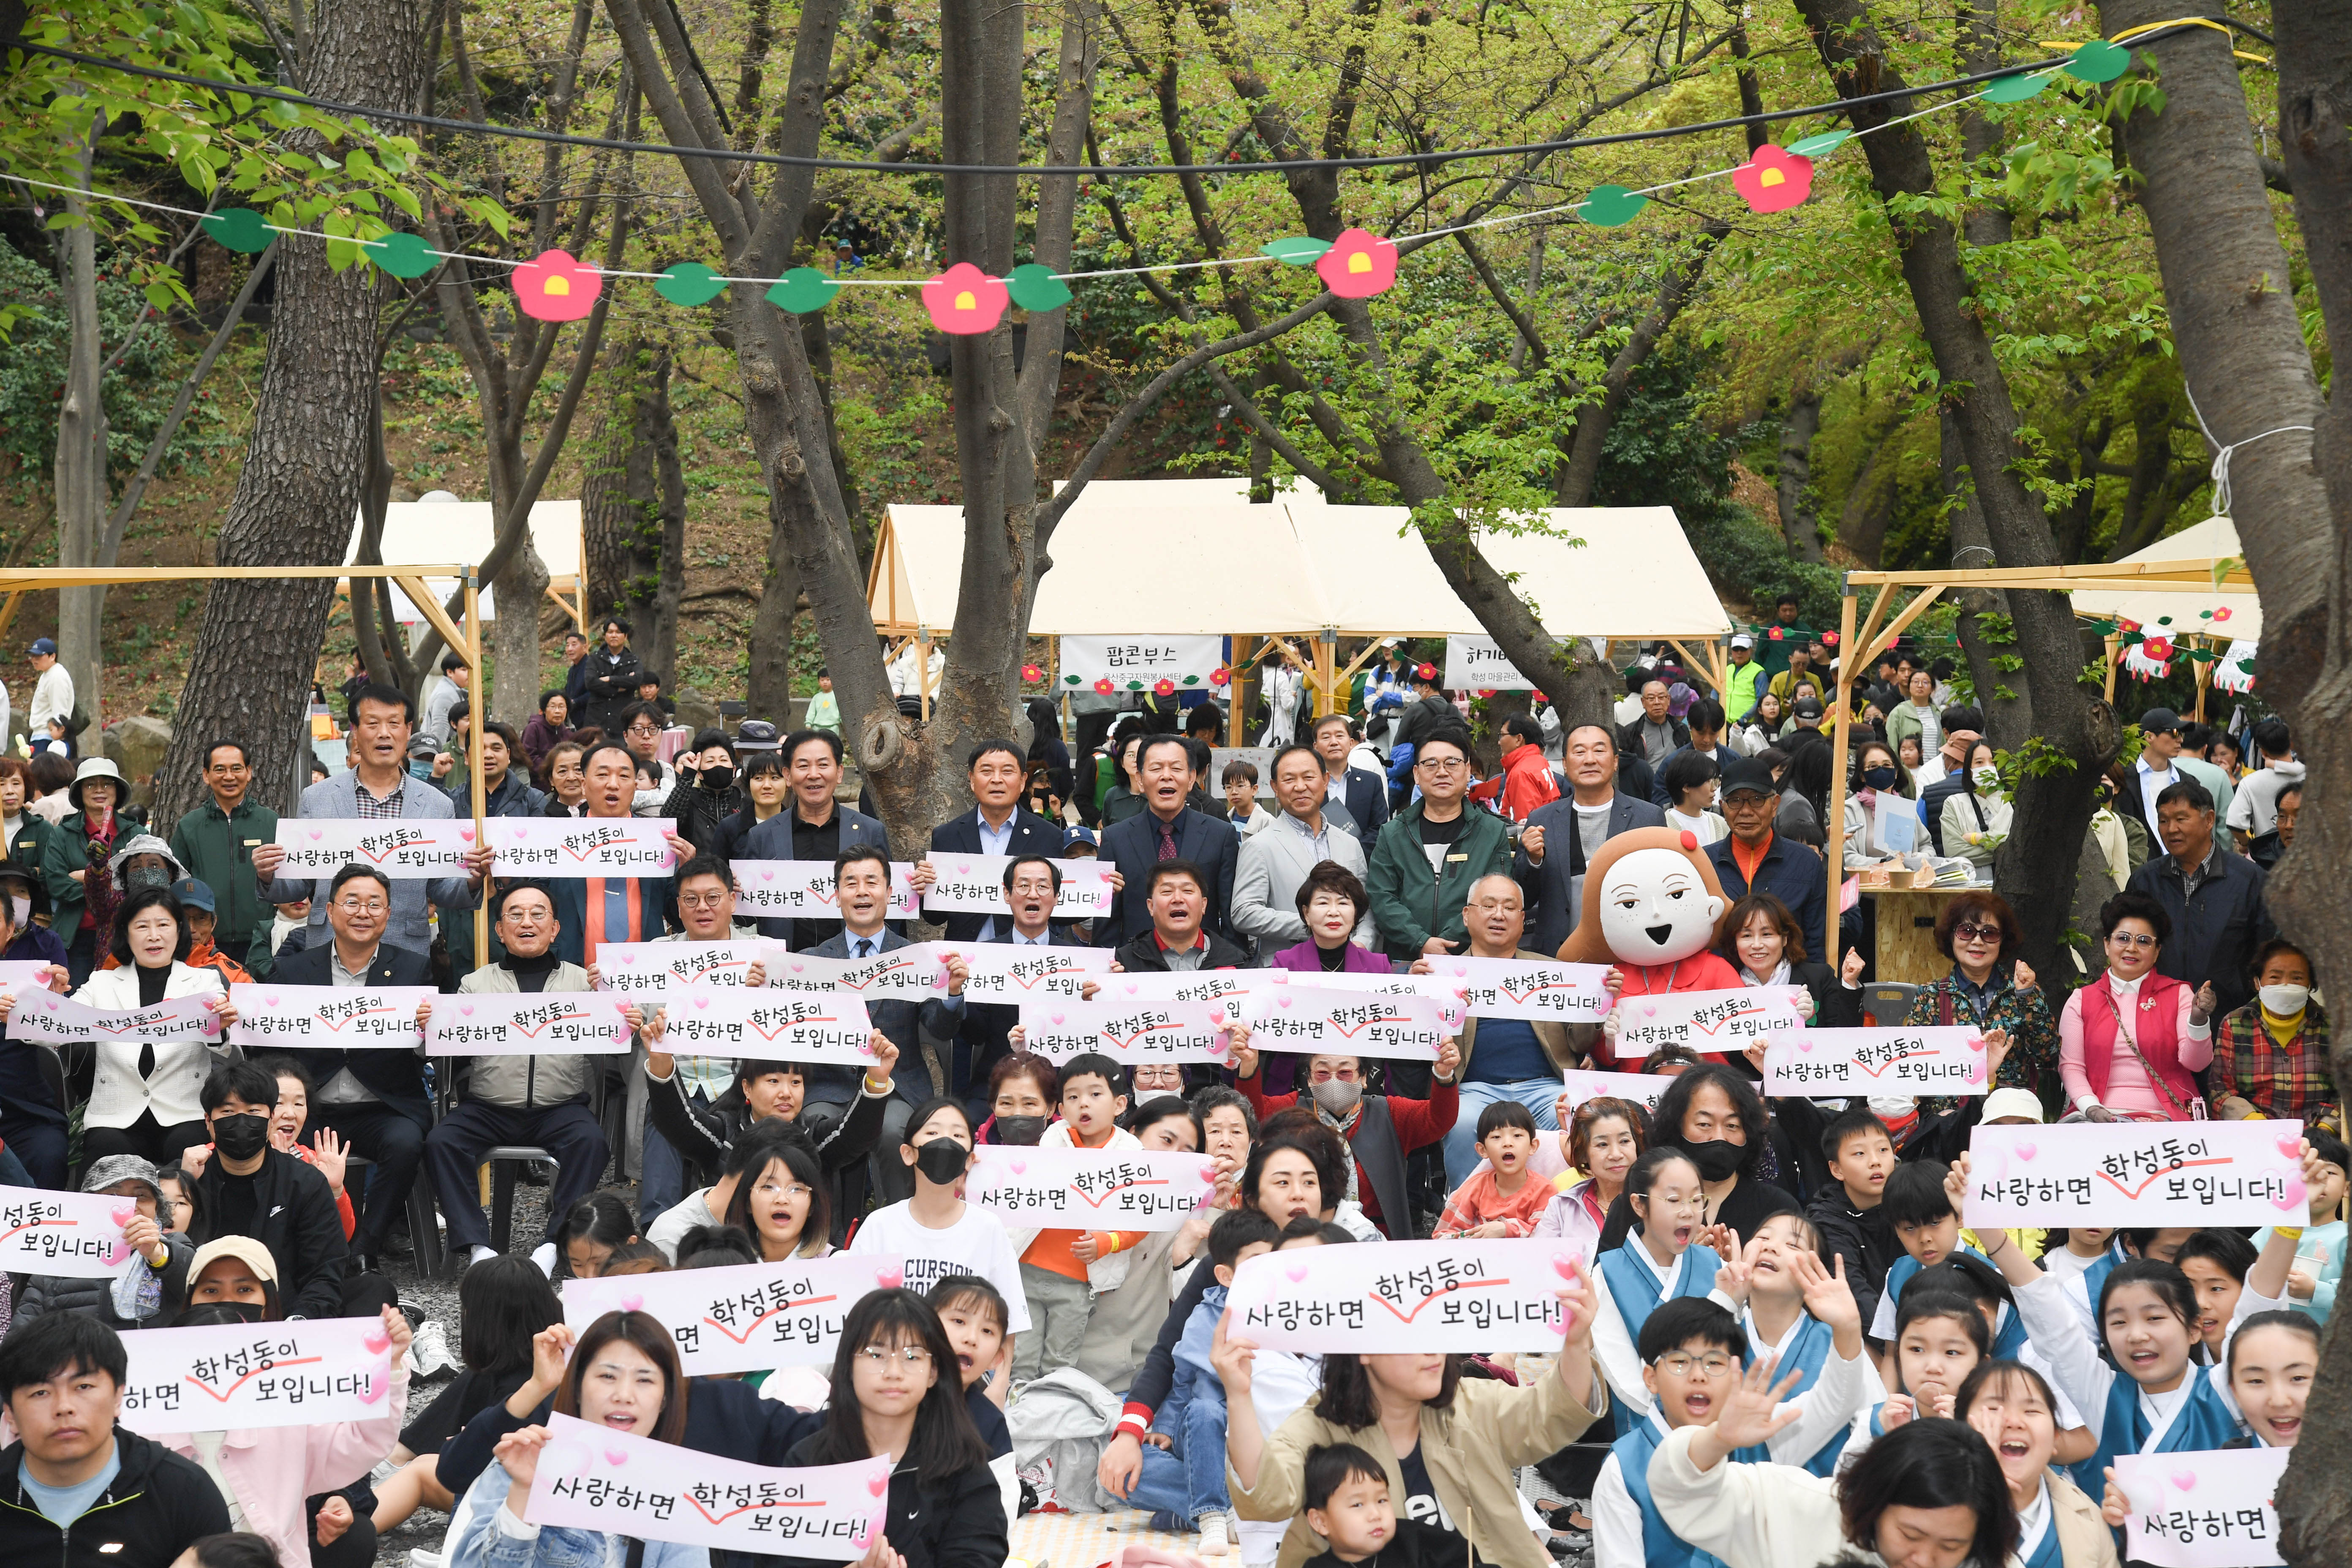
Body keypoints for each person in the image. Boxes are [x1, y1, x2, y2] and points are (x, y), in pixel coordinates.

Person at [1219, 1252, 1604, 1568]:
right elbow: (1266, 1496)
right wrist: (1238, 1396)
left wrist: (1575, 1345)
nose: (1432, 1350)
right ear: (1363, 1349)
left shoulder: (1470, 1403)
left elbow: (1552, 1414)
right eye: (1411, 1337)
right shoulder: (1321, 1425)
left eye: (1437, 1332)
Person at [1647, 1362, 2016, 1568]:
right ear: (1875, 1502)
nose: (1923, 1560)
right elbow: (1681, 1492)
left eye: (1951, 1547)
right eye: (1910, 1535)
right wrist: (1718, 1440)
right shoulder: (1798, 1506)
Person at [421, 882, 610, 1277]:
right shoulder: (476, 984)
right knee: (442, 1141)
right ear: (500, 930)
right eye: (516, 915)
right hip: (489, 1106)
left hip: (560, 1107)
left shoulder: (583, 983)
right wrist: (429, 1028)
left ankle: (552, 1245)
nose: (528, 923)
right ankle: (477, 1246)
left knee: (592, 1142)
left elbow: (615, 1037)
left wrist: (615, 1004)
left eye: (539, 914)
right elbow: (443, 1049)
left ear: (555, 928)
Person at [157, 1281, 408, 1568]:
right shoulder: (144, 1441)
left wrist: (389, 1368)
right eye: (199, 1365)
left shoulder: (285, 1427)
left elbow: (363, 1442)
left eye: (230, 1364)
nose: (214, 1378)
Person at [266, 864, 436, 1267]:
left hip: (384, 1105)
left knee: (406, 1142)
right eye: (353, 903)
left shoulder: (414, 969)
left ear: (389, 914)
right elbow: (269, 1043)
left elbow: (430, 1050)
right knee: (274, 1140)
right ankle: (302, 1247)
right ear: (329, 910)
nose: (364, 913)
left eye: (375, 904)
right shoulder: (292, 971)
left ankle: (363, 1248)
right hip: (314, 1106)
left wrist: (431, 1030)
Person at [447, 1310, 709, 1568]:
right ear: (578, 1388)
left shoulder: (678, 1489)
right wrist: (524, 1493)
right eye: (608, 1376)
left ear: (665, 1399)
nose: (624, 1395)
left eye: (644, 1379)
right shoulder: (526, 1462)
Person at [770, 1290, 1007, 1568]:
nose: (893, 1371)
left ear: (933, 1372)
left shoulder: (963, 1465)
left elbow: (978, 1557)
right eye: (876, 1354)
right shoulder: (808, 1463)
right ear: (848, 1366)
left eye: (912, 1357)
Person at [255, 683, 492, 956]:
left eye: (394, 723)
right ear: (355, 732)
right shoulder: (317, 799)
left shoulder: (436, 805)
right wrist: (269, 874)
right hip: (329, 946)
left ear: (408, 729)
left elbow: (441, 888)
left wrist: (473, 880)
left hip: (405, 948)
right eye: (372, 723)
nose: (384, 733)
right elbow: (300, 883)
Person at [0, 1311, 234, 1567]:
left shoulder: (184, 1491)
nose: (63, 1407)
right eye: (41, 1392)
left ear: (117, 1396)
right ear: (9, 1412)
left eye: (83, 1387)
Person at [800, 846, 966, 1203]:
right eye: (851, 883)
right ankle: (826, 1238)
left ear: (890, 894)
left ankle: (899, 1225)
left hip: (898, 1088)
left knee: (893, 1132)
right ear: (837, 895)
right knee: (816, 1128)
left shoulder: (916, 957)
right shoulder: (809, 962)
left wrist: (951, 994)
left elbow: (939, 1029)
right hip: (828, 1088)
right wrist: (763, 993)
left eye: (872, 882)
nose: (862, 891)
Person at [369, 1257, 563, 1540]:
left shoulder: (529, 1386)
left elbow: (455, 1469)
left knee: (421, 1471)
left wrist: (465, 1440)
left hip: (527, 1507)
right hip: (554, 1495)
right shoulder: (555, 1361)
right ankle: (393, 1462)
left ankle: (346, 1531)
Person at [1127, 1209, 1280, 1552]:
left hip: (1263, 1441)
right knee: (1128, 1472)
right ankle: (1219, 1514)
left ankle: (1189, 1513)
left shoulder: (1292, 1313)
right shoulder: (1204, 1317)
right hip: (1205, 1435)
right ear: (1225, 1275)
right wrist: (1164, 1426)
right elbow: (1181, 1379)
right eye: (1257, 1264)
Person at [1230, 1024, 1462, 1241]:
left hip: (1379, 1241)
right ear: (1309, 1080)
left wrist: (1443, 1075)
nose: (1333, 1080)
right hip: (1305, 1237)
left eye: (1344, 1073)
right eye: (1322, 1073)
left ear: (1363, 1078)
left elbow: (1438, 1120)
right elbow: (1252, 1115)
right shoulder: (1292, 1112)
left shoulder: (1390, 1113)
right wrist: (1249, 1068)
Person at [73, 888, 237, 1169]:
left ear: (179, 930)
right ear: (126, 932)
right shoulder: (101, 983)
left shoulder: (204, 982)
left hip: (185, 1113)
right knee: (108, 1156)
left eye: (163, 925)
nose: (154, 936)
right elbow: (54, 1031)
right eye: (142, 926)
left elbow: (220, 1044)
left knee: (191, 1156)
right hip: (114, 1117)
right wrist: (36, 1006)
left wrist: (220, 1027)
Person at [180, 1061, 351, 1318]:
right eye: (228, 1112)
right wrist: (182, 1191)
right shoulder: (189, 1177)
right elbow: (160, 1257)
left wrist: (299, 1324)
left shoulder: (305, 1181)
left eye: (253, 1111)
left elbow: (325, 1269)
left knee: (370, 1289)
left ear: (271, 1120)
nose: (241, 1121)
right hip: (201, 1314)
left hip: (284, 1312)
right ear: (208, 1121)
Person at [846, 1099, 1031, 1334]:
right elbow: (853, 1313)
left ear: (969, 1160)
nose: (945, 1142)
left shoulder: (988, 1227)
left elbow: (1009, 1320)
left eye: (958, 1135)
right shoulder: (879, 1225)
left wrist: (1001, 1372)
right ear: (907, 1153)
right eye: (933, 1132)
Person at [2125, 777, 2273, 1024]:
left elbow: (2265, 953)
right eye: (2163, 821)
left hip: (2230, 1022)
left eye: (2181, 819)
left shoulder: (2250, 880)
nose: (2171, 829)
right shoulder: (2145, 881)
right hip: (2156, 1020)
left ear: (2209, 820)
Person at [2058, 891, 2211, 1122]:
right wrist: (2093, 1109)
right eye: (2123, 938)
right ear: (2107, 945)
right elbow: (2071, 1068)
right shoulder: (2081, 1000)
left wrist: (2199, 1021)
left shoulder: (2179, 994)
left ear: (2157, 952)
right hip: (2097, 1117)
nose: (2132, 948)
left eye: (2143, 941)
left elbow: (2196, 1064)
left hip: (2166, 1118)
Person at [1514, 725, 1665, 957]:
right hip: (1557, 954)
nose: (1590, 760)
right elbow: (1523, 898)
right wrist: (1534, 861)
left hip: (1629, 951)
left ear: (1615, 761)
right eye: (1579, 752)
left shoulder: (1647, 817)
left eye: (1599, 751)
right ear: (1565, 763)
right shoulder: (1542, 819)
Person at [1365, 727, 1510, 963]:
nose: (1442, 772)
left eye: (1452, 763)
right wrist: (1420, 941)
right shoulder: (1393, 834)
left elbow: (1494, 898)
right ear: (1417, 774)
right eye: (1431, 764)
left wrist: (1446, 944)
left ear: (1468, 769)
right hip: (1405, 959)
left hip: (1470, 958)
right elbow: (1382, 897)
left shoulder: (1492, 832)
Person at [741, 729, 893, 948]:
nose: (814, 775)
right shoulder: (762, 836)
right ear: (788, 776)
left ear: (840, 773)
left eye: (823, 765)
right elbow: (749, 915)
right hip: (785, 963)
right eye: (803, 766)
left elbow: (889, 900)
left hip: (855, 963)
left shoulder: (870, 831)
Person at [1900, 890, 2056, 1100]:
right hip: (1952, 1116)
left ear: (2002, 941)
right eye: (1967, 931)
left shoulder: (2023, 989)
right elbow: (1917, 1065)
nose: (1977, 941)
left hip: (2011, 1112)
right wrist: (1941, 1112)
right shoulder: (1930, 996)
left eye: (1989, 933)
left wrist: (2027, 996)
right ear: (1951, 937)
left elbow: (2047, 1053)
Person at [12, 1154, 191, 1330]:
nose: (128, 1205)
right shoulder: (59, 1250)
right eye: (113, 1194)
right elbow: (23, 1333)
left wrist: (156, 1254)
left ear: (156, 1206)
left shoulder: (173, 1245)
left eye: (141, 1195)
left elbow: (193, 1287)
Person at [920, 739, 1066, 945]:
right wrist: (923, 889)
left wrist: (1099, 891)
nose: (997, 780)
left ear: (1023, 781)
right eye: (987, 771)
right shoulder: (947, 835)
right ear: (972, 779)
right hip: (965, 959)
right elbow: (935, 918)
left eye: (1007, 772)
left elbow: (1062, 912)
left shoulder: (1048, 836)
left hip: (1025, 956)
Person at [1234, 748, 1375, 962]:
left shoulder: (1350, 843)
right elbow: (1244, 912)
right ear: (1275, 787)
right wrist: (1313, 925)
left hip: (1349, 966)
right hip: (1287, 968)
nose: (1300, 787)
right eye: (1289, 779)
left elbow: (1365, 906)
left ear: (1326, 781)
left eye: (1309, 777)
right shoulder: (1259, 846)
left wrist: (1362, 943)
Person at [1101, 735, 1241, 944]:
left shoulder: (1221, 835)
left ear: (1192, 778)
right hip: (1136, 967)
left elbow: (1231, 917)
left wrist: (1232, 968)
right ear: (1140, 779)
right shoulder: (1115, 838)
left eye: (1176, 768)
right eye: (1156, 769)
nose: (1166, 776)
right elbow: (1107, 921)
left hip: (1204, 966)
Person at [167, 741, 276, 977]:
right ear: (206, 775)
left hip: (262, 942)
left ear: (249, 772)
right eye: (220, 769)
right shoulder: (190, 826)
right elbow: (175, 882)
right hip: (205, 943)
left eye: (237, 769)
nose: (229, 777)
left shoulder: (270, 822)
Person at [2209, 938, 2334, 1124]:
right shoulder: (2234, 1024)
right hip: (2253, 1132)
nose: (2285, 985)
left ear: (2310, 984)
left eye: (2297, 978)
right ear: (2257, 982)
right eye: (2275, 977)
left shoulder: (2332, 1026)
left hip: (2320, 1136)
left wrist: (2326, 1129)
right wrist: (2257, 1123)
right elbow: (2220, 1090)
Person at [1806, 1110, 1904, 1333]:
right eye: (1859, 1153)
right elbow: (1853, 1292)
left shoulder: (1910, 1204)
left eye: (1883, 1150)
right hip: (1860, 1335)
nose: (1875, 1162)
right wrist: (1896, 1344)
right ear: (1837, 1169)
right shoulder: (1825, 1221)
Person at [41, 756, 133, 985]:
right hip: (76, 937)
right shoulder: (62, 834)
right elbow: (56, 884)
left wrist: (87, 878)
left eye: (107, 784)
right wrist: (110, 886)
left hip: (127, 936)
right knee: (75, 1005)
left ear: (118, 790)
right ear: (80, 792)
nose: (99, 790)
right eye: (90, 784)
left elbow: (142, 884)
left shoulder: (135, 832)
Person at [1112, 859, 1250, 1001]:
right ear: (1150, 906)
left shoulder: (1239, 963)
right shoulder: (1122, 964)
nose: (1178, 899)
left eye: (1187, 891)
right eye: (1167, 892)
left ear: (1204, 905)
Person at [1312, 714, 1389, 854]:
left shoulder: (1371, 782)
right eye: (1326, 737)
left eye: (1340, 736)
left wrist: (1354, 854)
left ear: (1351, 743)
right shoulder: (1308, 785)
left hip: (1361, 864)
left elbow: (1379, 827)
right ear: (1316, 747)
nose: (1334, 742)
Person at [717, 747, 789, 862]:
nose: (767, 785)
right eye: (759, 778)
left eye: (775, 778)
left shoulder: (797, 827)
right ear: (749, 785)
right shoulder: (728, 828)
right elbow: (716, 871)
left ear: (788, 783)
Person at [577, 617, 645, 735]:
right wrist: (619, 688)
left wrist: (610, 679)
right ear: (605, 635)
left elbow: (637, 680)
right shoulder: (595, 658)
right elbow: (590, 683)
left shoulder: (633, 660)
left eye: (618, 632)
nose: (614, 635)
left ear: (626, 636)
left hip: (623, 719)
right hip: (596, 718)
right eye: (610, 632)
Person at [553, 1192, 641, 1278]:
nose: (590, 1277)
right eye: (578, 1265)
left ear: (630, 1245)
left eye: (600, 1264)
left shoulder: (651, 1286)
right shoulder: (570, 1293)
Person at [519, 690, 574, 773]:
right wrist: (550, 769)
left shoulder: (568, 733)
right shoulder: (534, 728)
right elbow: (528, 755)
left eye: (562, 707)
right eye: (553, 707)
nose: (558, 711)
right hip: (538, 779)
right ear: (544, 710)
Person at [536, 740, 588, 816]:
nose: (571, 778)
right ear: (551, 780)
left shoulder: (603, 811)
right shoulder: (541, 814)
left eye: (578, 770)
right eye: (563, 771)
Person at [806, 669, 841, 733]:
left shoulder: (837, 697)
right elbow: (811, 712)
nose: (825, 682)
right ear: (819, 682)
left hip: (833, 727)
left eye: (828, 680)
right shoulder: (816, 697)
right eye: (822, 680)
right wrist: (808, 723)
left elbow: (841, 712)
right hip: (817, 728)